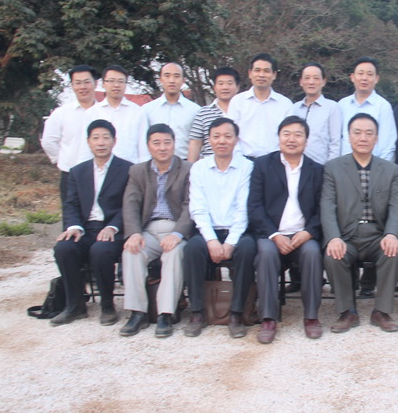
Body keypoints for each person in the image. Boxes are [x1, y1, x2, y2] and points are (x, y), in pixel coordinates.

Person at [321, 113, 398, 333]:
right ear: (349, 136)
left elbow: (397, 207)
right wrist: (333, 237)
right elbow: (327, 206)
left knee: (394, 252)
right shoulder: (333, 168)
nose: (363, 138)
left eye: (369, 133)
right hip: (346, 236)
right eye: (357, 132)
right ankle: (348, 311)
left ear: (376, 138)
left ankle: (381, 311)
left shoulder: (390, 170)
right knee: (332, 255)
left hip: (377, 235)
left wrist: (392, 234)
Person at [248, 116, 325, 343]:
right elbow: (254, 206)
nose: (292, 139)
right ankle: (268, 318)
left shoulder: (317, 170)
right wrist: (274, 235)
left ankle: (311, 317)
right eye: (286, 134)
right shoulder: (262, 165)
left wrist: (309, 232)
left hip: (303, 234)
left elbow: (323, 208)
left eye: (298, 135)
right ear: (279, 137)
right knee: (266, 253)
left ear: (306, 141)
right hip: (271, 234)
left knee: (312, 253)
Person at [51, 119, 132, 326]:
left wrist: (113, 226)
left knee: (101, 250)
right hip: (85, 228)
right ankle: (75, 305)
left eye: (106, 138)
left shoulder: (127, 169)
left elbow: (130, 205)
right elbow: (71, 203)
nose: (101, 142)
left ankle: (107, 305)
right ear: (88, 142)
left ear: (114, 141)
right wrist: (74, 227)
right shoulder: (78, 171)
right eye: (96, 138)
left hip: (114, 229)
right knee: (64, 248)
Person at [183, 117, 257, 338]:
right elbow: (198, 208)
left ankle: (237, 313)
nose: (222, 141)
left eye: (227, 136)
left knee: (247, 249)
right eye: (216, 136)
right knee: (192, 249)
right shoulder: (199, 168)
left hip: (239, 230)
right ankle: (197, 312)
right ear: (209, 140)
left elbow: (243, 208)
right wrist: (212, 240)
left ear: (236, 139)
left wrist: (231, 241)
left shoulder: (247, 167)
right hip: (209, 230)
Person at [119, 124, 193, 338]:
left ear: (174, 144)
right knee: (131, 252)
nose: (162, 148)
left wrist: (177, 234)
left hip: (176, 229)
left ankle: (165, 314)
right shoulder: (137, 171)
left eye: (167, 142)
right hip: (148, 230)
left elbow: (191, 205)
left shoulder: (188, 169)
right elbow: (130, 203)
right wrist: (134, 232)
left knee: (174, 254)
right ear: (148, 146)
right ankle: (137, 312)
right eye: (157, 143)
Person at [41, 65, 99, 204]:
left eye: (87, 82)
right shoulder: (61, 113)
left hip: (100, 175)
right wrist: (61, 161)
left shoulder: (105, 112)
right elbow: (48, 141)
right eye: (77, 83)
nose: (82, 87)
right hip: (70, 174)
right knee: (71, 213)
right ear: (72, 86)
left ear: (95, 84)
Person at [228, 53, 293, 159]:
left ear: (274, 75)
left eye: (266, 71)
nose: (261, 75)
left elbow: (289, 136)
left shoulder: (285, 104)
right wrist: (240, 159)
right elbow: (230, 133)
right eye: (257, 70)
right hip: (243, 160)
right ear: (250, 73)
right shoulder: (237, 101)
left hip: (275, 161)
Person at [86, 65, 148, 163]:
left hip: (131, 168)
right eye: (111, 81)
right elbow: (86, 148)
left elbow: (143, 147)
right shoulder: (92, 113)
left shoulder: (137, 112)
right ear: (103, 84)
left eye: (120, 81)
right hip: (101, 168)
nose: (116, 85)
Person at [339, 57, 397, 162]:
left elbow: (388, 146)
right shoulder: (342, 105)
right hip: (343, 167)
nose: (364, 78)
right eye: (360, 73)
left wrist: (380, 169)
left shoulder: (383, 106)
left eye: (370, 74)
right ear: (352, 77)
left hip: (374, 167)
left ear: (376, 79)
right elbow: (336, 141)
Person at [142, 63, 200, 159]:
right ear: (160, 80)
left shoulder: (195, 110)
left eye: (176, 76)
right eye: (167, 76)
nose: (172, 80)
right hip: (155, 163)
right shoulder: (147, 109)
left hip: (185, 163)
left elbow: (198, 142)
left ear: (183, 80)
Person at [291, 62, 342, 165]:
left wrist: (330, 169)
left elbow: (335, 143)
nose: (311, 82)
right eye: (307, 78)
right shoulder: (294, 108)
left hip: (321, 167)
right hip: (295, 166)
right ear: (301, 81)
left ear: (323, 81)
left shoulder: (332, 107)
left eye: (316, 78)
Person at [187, 67, 241, 162]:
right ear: (214, 88)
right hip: (210, 166)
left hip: (240, 165)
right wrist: (190, 167)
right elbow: (195, 143)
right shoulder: (203, 113)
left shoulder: (245, 111)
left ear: (237, 87)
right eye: (220, 83)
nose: (225, 87)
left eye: (229, 83)